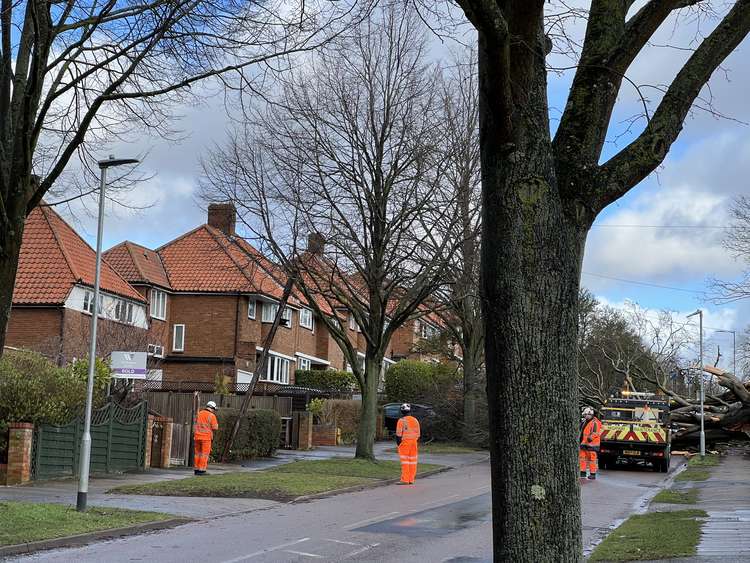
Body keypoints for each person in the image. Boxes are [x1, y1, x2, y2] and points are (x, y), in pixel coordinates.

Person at [396, 403, 420, 485]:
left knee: (405, 461)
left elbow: (398, 435)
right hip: (414, 442)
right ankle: (411, 479)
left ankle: (405, 480)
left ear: (402, 411)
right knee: (413, 461)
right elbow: (418, 434)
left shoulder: (401, 420)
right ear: (409, 411)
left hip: (405, 442)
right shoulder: (415, 420)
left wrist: (399, 444)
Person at [194, 401, 219, 475]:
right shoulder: (212, 416)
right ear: (212, 408)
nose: (214, 410)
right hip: (206, 438)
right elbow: (215, 427)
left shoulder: (199, 413)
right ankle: (202, 470)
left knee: (197, 454)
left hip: (197, 437)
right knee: (204, 454)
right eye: (214, 409)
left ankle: (196, 469)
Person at [580, 406, 602, 480]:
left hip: (592, 445)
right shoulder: (585, 421)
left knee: (592, 460)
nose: (585, 416)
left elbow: (596, 432)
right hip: (584, 443)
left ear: (590, 415)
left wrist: (590, 438)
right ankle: (582, 472)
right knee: (582, 458)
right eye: (585, 415)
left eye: (586, 415)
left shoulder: (595, 423)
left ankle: (592, 474)